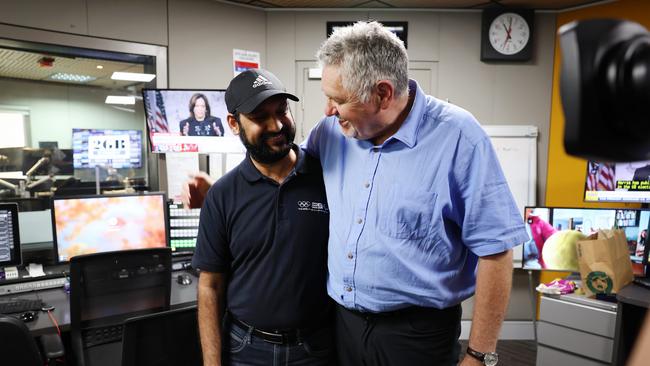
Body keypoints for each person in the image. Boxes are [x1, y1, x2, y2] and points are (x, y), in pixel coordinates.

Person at [302, 21, 529, 366]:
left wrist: (479, 355)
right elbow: (287, 177)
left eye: (338, 100)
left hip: (417, 336)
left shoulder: (459, 137)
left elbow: (496, 251)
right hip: (342, 324)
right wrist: (225, 194)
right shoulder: (330, 133)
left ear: (382, 94)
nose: (328, 111)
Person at [190, 69, 335, 366]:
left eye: (282, 110)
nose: (276, 124)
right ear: (234, 124)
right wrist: (212, 363)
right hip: (246, 348)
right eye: (259, 117)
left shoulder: (329, 178)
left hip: (316, 347)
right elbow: (210, 286)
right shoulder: (222, 195)